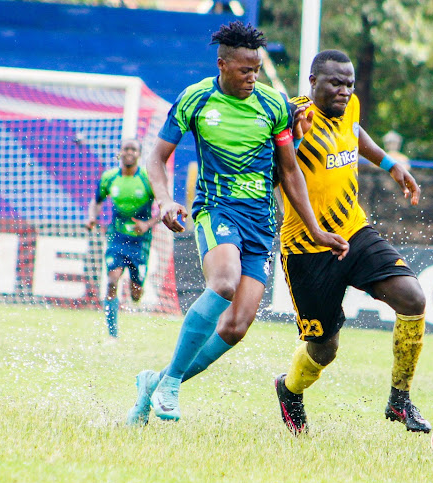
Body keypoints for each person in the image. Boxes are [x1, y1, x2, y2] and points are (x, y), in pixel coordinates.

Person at [125, 22, 348, 425]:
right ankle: (172, 382)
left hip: (261, 224)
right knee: (224, 283)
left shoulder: (275, 106)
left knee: (237, 325)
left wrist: (315, 229)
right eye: (245, 70)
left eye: (257, 70)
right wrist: (164, 200)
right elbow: (155, 157)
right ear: (222, 64)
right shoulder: (195, 99)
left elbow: (290, 172)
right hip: (216, 209)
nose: (252, 78)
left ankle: (154, 384)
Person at [273, 49, 430, 435]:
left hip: (354, 231)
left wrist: (391, 166)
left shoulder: (351, 107)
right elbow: (275, 168)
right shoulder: (293, 116)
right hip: (307, 249)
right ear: (312, 82)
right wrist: (294, 135)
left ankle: (400, 400)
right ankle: (289, 389)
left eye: (349, 84)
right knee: (325, 350)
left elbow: (355, 133)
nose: (344, 91)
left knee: (413, 298)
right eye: (335, 83)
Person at [85, 138, 158, 339]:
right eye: (125, 149)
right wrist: (92, 217)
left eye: (133, 149)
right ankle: (112, 334)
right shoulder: (109, 178)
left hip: (140, 240)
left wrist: (147, 224)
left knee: (136, 293)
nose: (129, 152)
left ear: (139, 154)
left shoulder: (147, 177)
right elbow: (97, 201)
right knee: (112, 280)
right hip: (116, 237)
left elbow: (163, 208)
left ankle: (137, 288)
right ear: (119, 153)